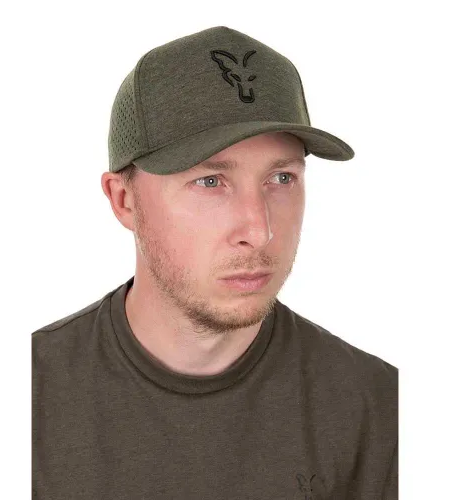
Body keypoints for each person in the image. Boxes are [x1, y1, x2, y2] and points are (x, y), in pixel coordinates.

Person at [32, 26, 398, 499]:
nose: (259, 230)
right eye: (210, 182)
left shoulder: (378, 408)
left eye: (281, 178)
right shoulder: (23, 398)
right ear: (123, 200)